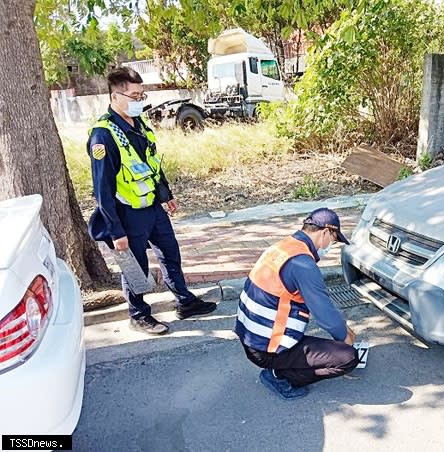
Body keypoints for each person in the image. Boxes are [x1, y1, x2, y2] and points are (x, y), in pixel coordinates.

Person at [87, 67, 216, 335]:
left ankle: (184, 301)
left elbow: (152, 164)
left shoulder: (141, 126)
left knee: (170, 254)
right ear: (115, 96)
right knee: (136, 267)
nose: (139, 101)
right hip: (127, 212)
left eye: (141, 95)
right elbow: (102, 188)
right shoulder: (104, 135)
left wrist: (165, 195)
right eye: (134, 96)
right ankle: (138, 314)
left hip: (153, 208)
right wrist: (116, 230)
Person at [235, 207, 359, 399]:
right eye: (333, 241)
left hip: (251, 338)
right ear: (326, 232)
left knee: (332, 345)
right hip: (268, 349)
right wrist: (344, 338)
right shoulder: (302, 263)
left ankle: (280, 367)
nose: (330, 246)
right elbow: (323, 311)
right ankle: (279, 375)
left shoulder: (283, 247)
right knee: (348, 358)